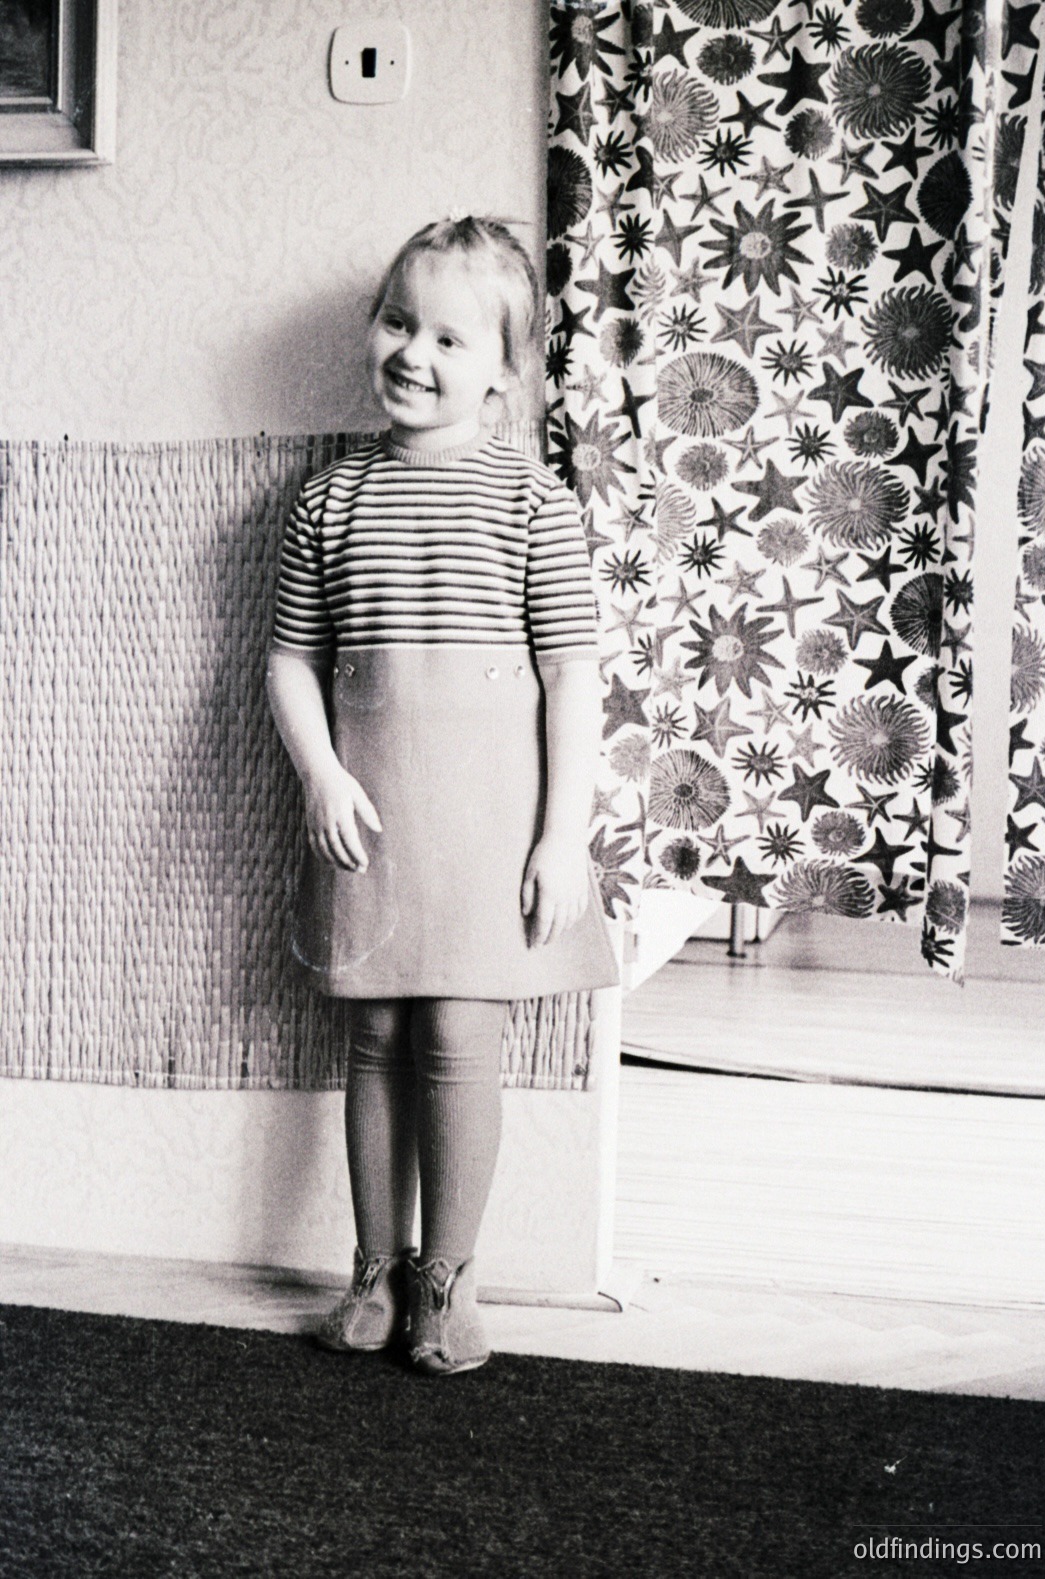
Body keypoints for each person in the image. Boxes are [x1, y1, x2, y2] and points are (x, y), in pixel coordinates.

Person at [266, 215, 618, 1377]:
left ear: (504, 374)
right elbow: (289, 659)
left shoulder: (532, 502)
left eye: (450, 337)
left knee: (461, 1035)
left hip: (487, 827)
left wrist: (563, 834)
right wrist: (319, 770)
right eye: (398, 321)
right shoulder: (327, 503)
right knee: (374, 1036)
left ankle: (449, 1282)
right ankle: (373, 1266)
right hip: (370, 816)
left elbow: (571, 673)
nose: (414, 352)